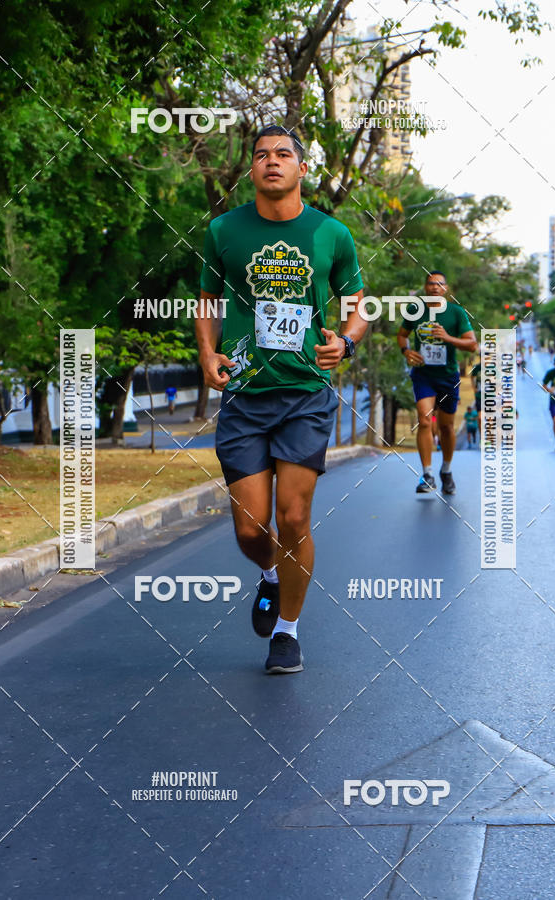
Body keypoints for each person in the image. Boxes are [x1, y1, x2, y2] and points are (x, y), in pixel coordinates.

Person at [195, 125, 367, 674]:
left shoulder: (331, 233)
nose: (273, 161)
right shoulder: (223, 230)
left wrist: (347, 339)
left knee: (294, 518)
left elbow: (358, 302)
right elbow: (206, 298)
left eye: (284, 154)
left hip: (305, 395)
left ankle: (287, 634)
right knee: (251, 528)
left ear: (301, 169)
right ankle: (270, 573)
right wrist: (206, 354)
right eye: (262, 155)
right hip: (245, 395)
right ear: (251, 170)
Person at [397, 272, 478, 494]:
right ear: (425, 287)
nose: (435, 287)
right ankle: (427, 474)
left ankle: (446, 470)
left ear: (446, 288)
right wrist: (406, 351)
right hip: (423, 375)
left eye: (439, 284)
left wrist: (448, 337)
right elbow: (402, 335)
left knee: (446, 427)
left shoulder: (456, 312)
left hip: (448, 377)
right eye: (431, 283)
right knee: (424, 420)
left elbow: (472, 345)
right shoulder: (416, 310)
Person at [470, 359, 482, 430]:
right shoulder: (476, 367)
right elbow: (472, 377)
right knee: (480, 418)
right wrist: (474, 388)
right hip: (479, 396)